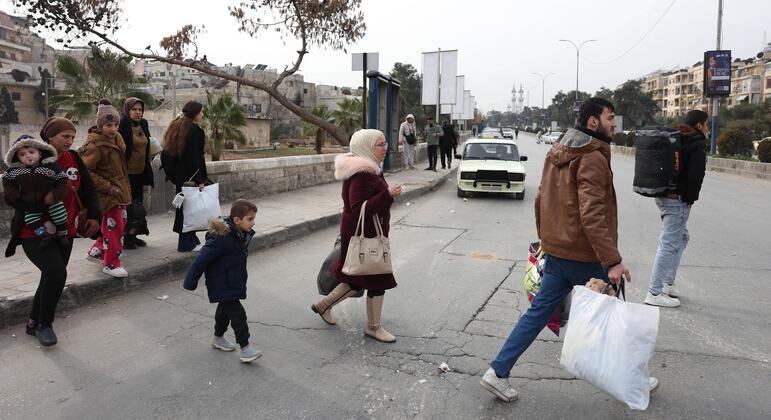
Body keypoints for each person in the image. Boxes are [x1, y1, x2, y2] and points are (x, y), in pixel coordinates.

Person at [479, 97, 659, 402]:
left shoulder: (557, 151)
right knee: (612, 311)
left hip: (559, 252)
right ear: (593, 122)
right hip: (585, 254)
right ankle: (635, 379)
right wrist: (612, 261)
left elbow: (541, 201)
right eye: (610, 117)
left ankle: (497, 372)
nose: (615, 123)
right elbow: (592, 214)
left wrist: (547, 241)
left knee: (537, 315)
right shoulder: (592, 158)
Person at [3, 118, 101, 347]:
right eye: (64, 136)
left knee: (50, 276)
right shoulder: (29, 157)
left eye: (72, 136)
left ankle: (32, 321)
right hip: (32, 231)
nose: (70, 141)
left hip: (64, 230)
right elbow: (12, 193)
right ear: (48, 137)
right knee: (57, 275)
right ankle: (45, 325)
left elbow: (88, 188)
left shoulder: (74, 158)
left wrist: (96, 216)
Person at [311, 129, 402, 343]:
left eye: (385, 143)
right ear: (367, 146)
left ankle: (324, 306)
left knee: (356, 278)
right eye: (380, 144)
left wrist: (385, 195)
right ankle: (373, 327)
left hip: (363, 233)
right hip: (363, 235)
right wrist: (387, 195)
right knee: (376, 278)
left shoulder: (369, 167)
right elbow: (359, 206)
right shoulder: (362, 173)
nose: (385, 148)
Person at [183, 199, 262, 363]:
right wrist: (191, 281)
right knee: (238, 315)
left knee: (224, 312)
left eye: (254, 218)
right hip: (222, 282)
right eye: (250, 219)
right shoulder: (221, 238)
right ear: (237, 220)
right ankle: (245, 348)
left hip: (231, 280)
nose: (253, 223)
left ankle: (218, 337)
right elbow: (201, 260)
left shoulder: (239, 234)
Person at [645, 109, 707, 308]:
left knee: (682, 237)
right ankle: (654, 292)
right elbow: (696, 174)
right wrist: (690, 198)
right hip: (676, 199)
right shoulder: (696, 141)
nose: (707, 128)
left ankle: (666, 282)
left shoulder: (676, 136)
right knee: (670, 242)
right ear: (699, 125)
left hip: (663, 195)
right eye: (705, 124)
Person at [82, 99, 132, 278]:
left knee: (118, 224)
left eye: (116, 124)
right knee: (116, 227)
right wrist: (107, 187)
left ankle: (96, 250)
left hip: (119, 191)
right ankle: (111, 263)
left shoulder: (116, 139)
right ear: (100, 125)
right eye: (109, 125)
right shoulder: (94, 146)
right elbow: (85, 171)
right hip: (108, 194)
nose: (113, 128)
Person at [2, 135, 70, 246]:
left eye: (31, 152)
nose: (27, 156)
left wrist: (55, 194)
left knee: (59, 212)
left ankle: (63, 234)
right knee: (30, 219)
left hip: (50, 199)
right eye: (22, 154)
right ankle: (44, 236)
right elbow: (6, 181)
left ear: (40, 153)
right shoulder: (14, 171)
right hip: (30, 202)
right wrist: (16, 196)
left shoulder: (49, 167)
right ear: (17, 157)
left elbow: (62, 179)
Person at [161, 100, 209, 252]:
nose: (202, 114)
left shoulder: (178, 126)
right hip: (191, 177)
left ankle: (191, 239)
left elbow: (166, 154)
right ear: (195, 113)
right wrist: (199, 179)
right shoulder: (193, 131)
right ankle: (185, 242)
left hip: (182, 176)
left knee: (187, 208)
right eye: (201, 112)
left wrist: (175, 175)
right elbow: (194, 158)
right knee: (189, 210)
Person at [119, 97, 154, 249]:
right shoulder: (122, 125)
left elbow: (148, 143)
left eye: (140, 109)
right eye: (134, 109)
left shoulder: (144, 124)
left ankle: (135, 234)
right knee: (128, 206)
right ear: (128, 110)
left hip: (141, 172)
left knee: (138, 205)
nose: (138, 112)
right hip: (127, 174)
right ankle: (126, 237)